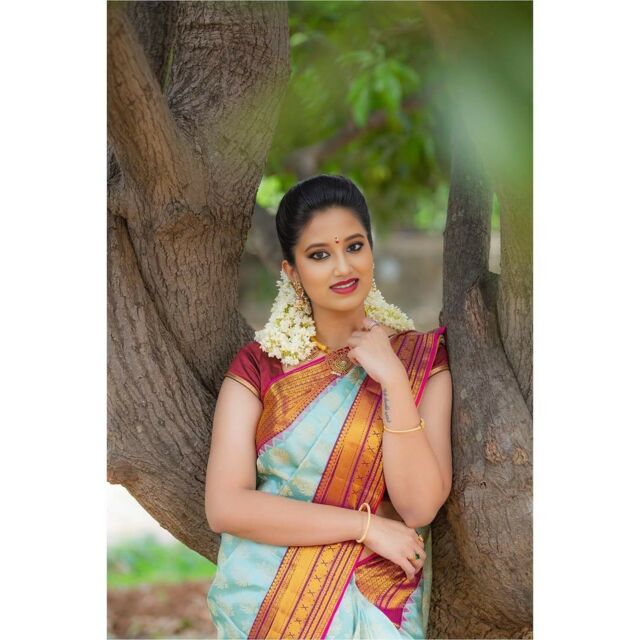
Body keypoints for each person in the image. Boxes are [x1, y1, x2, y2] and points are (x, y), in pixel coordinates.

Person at [204, 174, 453, 639]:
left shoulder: (420, 361)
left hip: (374, 602)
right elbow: (225, 506)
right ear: (292, 272)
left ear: (371, 252)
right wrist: (365, 527)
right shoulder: (259, 367)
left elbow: (418, 507)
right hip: (269, 604)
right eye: (320, 255)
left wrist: (393, 380)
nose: (343, 267)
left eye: (354, 246)